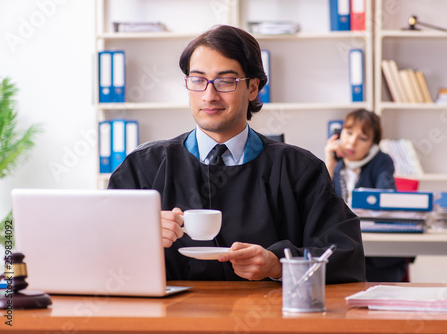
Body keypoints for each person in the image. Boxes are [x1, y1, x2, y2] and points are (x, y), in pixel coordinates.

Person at [108, 25, 365, 284]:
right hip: (168, 320)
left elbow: (344, 253)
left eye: (225, 81)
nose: (209, 96)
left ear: (253, 88)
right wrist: (138, 232)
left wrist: (278, 265)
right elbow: (96, 248)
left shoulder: (300, 170)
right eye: (198, 80)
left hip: (268, 320)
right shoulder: (143, 167)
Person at [324, 109, 408, 282]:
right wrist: (329, 166)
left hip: (378, 260)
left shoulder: (382, 161)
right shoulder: (336, 165)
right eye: (348, 133)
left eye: (363, 138)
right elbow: (321, 205)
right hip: (344, 251)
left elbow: (386, 198)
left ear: (373, 145)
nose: (352, 142)